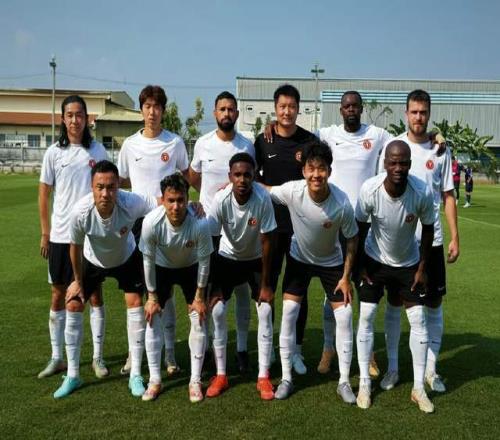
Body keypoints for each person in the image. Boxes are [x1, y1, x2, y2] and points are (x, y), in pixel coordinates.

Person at [53, 160, 158, 399]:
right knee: (73, 303)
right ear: (91, 187)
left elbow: (161, 203)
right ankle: (73, 375)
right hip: (93, 260)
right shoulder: (80, 212)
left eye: (111, 187)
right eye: (100, 187)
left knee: (135, 304)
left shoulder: (131, 202)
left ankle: (135, 375)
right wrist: (77, 281)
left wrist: (192, 207)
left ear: (118, 187)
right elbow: (74, 246)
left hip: (126, 256)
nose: (105, 193)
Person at [378, 90, 459, 395]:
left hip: (432, 241)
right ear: (406, 113)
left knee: (434, 304)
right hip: (399, 242)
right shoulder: (393, 146)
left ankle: (431, 370)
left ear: (429, 114)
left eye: (423, 112)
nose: (418, 117)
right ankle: (393, 368)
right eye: (414, 112)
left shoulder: (440, 151)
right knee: (394, 304)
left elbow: (448, 195)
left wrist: (455, 236)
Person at [264, 141, 359, 403]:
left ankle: (343, 382)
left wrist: (346, 277)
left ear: (329, 171)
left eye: (322, 168)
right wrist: (232, 185)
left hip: (332, 263)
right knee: (289, 312)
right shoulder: (292, 191)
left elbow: (352, 238)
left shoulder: (341, 202)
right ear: (304, 170)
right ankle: (286, 378)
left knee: (345, 315)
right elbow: (266, 190)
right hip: (300, 259)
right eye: (311, 168)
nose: (316, 174)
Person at [356, 140, 435, 413]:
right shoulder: (370, 189)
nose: (398, 167)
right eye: (393, 162)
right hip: (375, 261)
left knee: (418, 319)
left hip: (408, 263)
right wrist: (359, 266)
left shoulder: (421, 191)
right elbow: (359, 228)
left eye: (403, 163)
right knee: (367, 316)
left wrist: (422, 268)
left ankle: (417, 387)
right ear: (385, 163)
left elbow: (428, 229)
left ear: (410, 165)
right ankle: (365, 383)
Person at [117, 85, 190, 376]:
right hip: (137, 226)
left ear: (163, 110)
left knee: (166, 291)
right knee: (138, 292)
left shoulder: (175, 143)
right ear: (141, 110)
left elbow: (185, 179)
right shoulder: (130, 145)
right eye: (147, 106)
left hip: (168, 224)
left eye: (157, 106)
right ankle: (134, 355)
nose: (152, 112)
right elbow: (122, 181)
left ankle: (169, 355)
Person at [38, 95, 109, 379]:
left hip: (91, 236)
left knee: (95, 294)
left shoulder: (98, 151)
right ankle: (58, 357)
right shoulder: (54, 153)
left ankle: (97, 358)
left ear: (87, 118)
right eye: (69, 115)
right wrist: (45, 232)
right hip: (60, 236)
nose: (75, 120)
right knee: (58, 295)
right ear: (63, 119)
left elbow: (108, 187)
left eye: (79, 115)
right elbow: (44, 194)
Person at [189, 91, 255, 372]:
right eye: (222, 109)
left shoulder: (247, 145)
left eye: (231, 109)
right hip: (208, 228)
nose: (227, 113)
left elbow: (251, 179)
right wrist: (209, 200)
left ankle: (241, 349)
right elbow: (194, 177)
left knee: (241, 291)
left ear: (237, 113)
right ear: (215, 113)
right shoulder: (202, 144)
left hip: (238, 228)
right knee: (206, 292)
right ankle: (206, 350)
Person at [254, 84, 318, 375]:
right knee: (266, 287)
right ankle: (267, 350)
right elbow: (252, 179)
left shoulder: (309, 141)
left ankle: (296, 351)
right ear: (275, 109)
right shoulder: (262, 142)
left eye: (292, 107)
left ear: (298, 109)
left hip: (300, 230)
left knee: (297, 292)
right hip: (269, 229)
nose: (287, 112)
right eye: (282, 107)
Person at [205, 153, 277, 400]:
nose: (242, 179)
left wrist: (266, 284)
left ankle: (263, 377)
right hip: (227, 258)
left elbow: (268, 241)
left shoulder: (263, 198)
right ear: (230, 176)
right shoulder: (221, 199)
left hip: (255, 259)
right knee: (217, 310)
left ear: (254, 176)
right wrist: (214, 285)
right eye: (237, 174)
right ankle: (221, 374)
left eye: (247, 174)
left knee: (265, 310)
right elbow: (212, 241)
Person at [139, 174, 213, 402]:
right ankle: (154, 380)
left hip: (190, 266)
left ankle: (195, 381)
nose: (176, 206)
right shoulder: (151, 223)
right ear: (162, 200)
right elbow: (148, 261)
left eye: (181, 200)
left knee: (198, 316)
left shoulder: (200, 223)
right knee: (152, 316)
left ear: (188, 199)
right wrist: (152, 297)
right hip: (162, 267)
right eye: (170, 200)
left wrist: (199, 296)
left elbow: (204, 261)